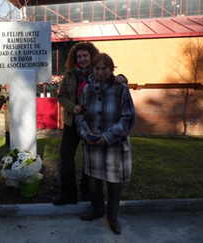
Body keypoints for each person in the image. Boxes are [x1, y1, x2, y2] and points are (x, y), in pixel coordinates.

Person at [54, 42, 127, 205]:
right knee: (66, 156)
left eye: (85, 55)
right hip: (72, 120)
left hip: (94, 122)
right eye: (79, 56)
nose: (82, 59)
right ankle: (68, 195)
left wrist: (123, 77)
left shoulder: (98, 71)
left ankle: (87, 192)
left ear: (91, 56)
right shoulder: (69, 74)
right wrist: (73, 108)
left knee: (90, 157)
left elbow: (114, 79)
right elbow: (62, 96)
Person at [75, 53, 136, 235]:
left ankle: (112, 217)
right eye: (97, 68)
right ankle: (97, 210)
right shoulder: (87, 90)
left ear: (111, 69)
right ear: (93, 69)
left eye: (105, 68)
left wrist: (108, 137)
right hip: (92, 144)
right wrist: (86, 133)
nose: (101, 72)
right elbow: (80, 115)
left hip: (114, 146)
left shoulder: (121, 89)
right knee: (94, 182)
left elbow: (128, 118)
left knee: (114, 183)